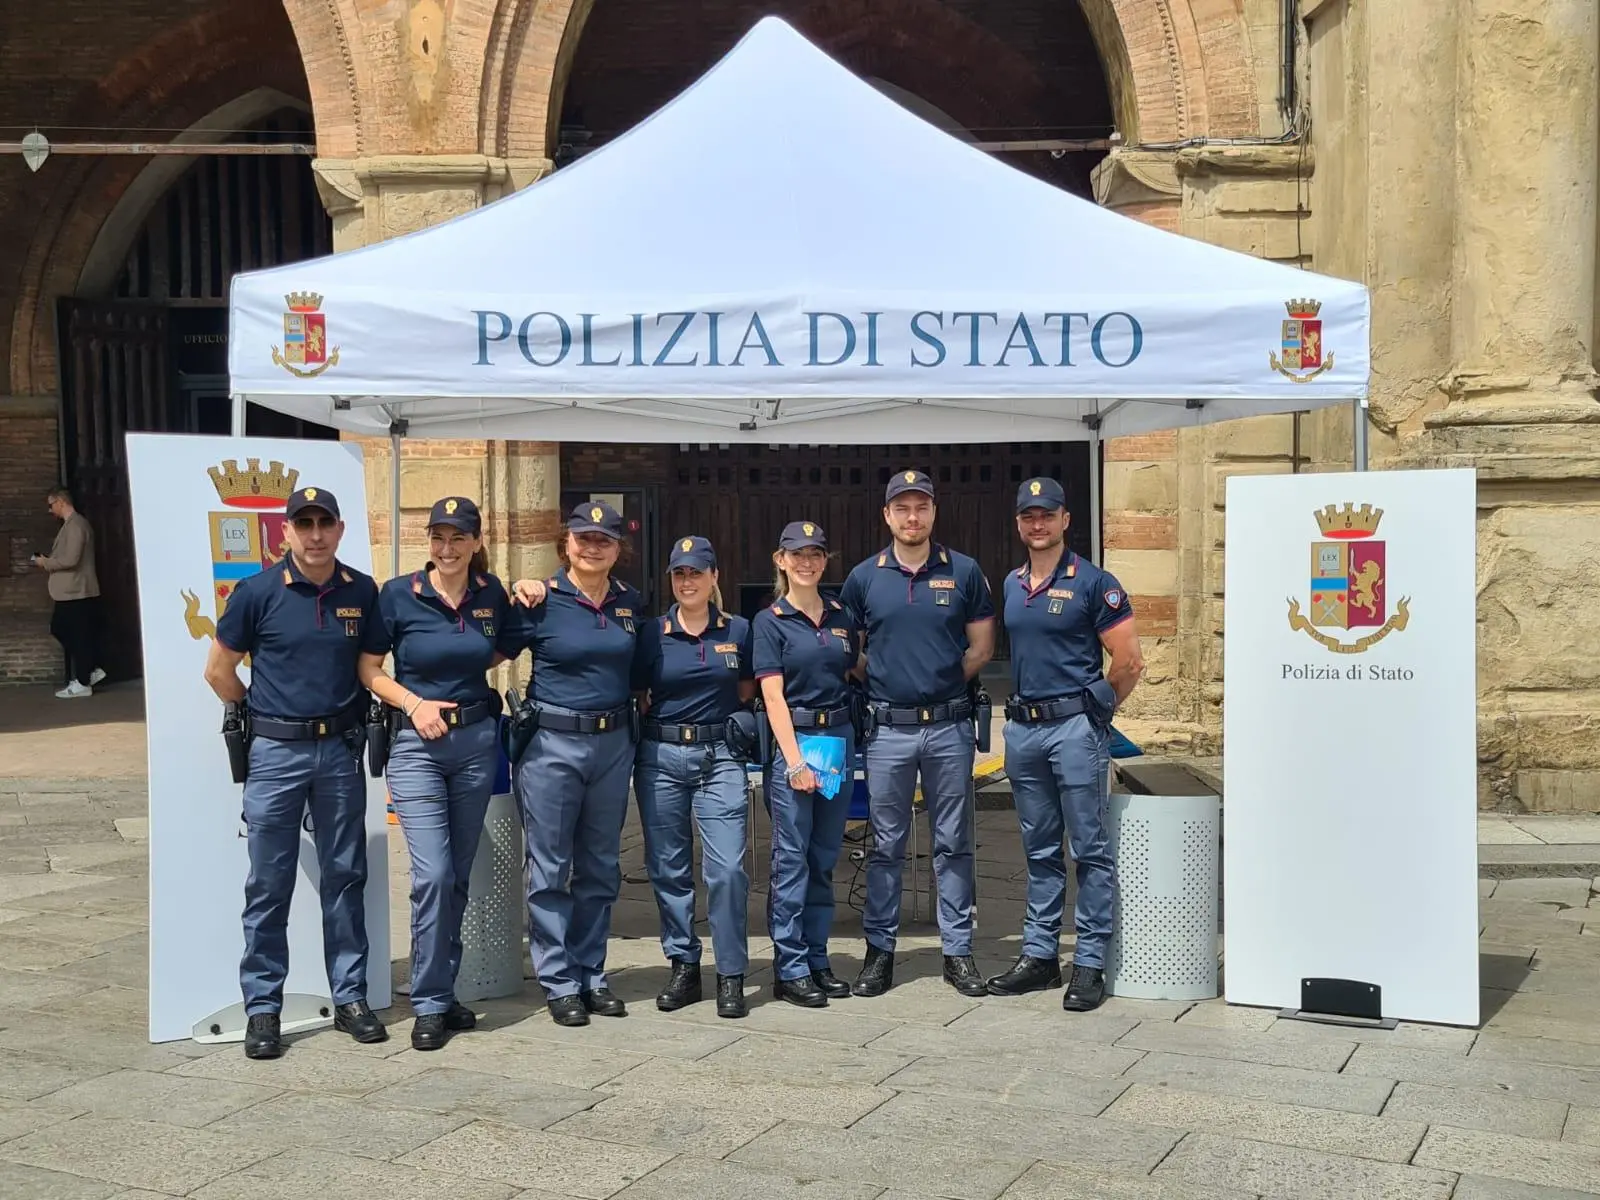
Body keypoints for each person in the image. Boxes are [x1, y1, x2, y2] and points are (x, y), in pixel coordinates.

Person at [202, 485, 389, 1059]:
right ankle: (264, 1009)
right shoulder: (257, 592)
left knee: (344, 875)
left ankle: (351, 997)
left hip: (338, 752)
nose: (314, 535)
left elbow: (368, 667)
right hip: (277, 754)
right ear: (285, 531)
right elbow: (218, 672)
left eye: (324, 524)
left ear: (339, 529)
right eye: (303, 524)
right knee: (268, 885)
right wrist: (258, 716)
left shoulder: (362, 590)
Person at [359, 497, 517, 1050]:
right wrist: (414, 702)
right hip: (418, 746)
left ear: (476, 542)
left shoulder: (491, 593)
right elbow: (368, 667)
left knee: (456, 876)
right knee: (431, 873)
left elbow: (503, 646)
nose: (446, 549)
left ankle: (443, 993)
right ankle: (427, 1001)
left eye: (458, 538)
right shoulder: (399, 594)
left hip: (475, 743)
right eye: (437, 537)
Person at [985, 477, 1144, 1013]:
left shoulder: (1095, 583)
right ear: (1018, 523)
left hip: (1074, 729)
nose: (1038, 524)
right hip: (1025, 731)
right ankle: (1040, 956)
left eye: (1047, 515)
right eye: (1029, 515)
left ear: (1065, 520)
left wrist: (1098, 713)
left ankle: (1091, 962)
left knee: (1090, 850)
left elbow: (1128, 661)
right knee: (1039, 849)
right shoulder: (1011, 583)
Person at [840, 470, 995, 999]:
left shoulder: (966, 572)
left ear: (933, 513)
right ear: (886, 516)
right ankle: (879, 953)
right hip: (888, 731)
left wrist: (940, 684)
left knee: (954, 843)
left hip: (949, 727)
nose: (912, 517)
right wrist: (885, 682)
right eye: (902, 508)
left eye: (921, 507)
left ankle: (958, 952)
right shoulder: (864, 577)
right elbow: (850, 650)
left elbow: (981, 648)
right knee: (885, 846)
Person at [503, 500, 647, 1027]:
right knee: (549, 866)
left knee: (601, 865)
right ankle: (559, 980)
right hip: (552, 745)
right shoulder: (540, 600)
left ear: (617, 549)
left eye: (603, 540)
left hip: (612, 743)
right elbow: (490, 650)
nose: (592, 546)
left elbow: (640, 674)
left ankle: (592, 972)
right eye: (582, 537)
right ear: (566, 543)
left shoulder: (632, 603)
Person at [632, 536, 755, 1018]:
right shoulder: (651, 632)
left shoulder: (739, 630)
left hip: (720, 755)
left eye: (696, 572)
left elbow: (747, 688)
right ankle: (683, 963)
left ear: (714, 577)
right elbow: (639, 692)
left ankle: (731, 972)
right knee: (668, 868)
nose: (688, 582)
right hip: (661, 755)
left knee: (727, 870)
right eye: (679, 573)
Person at [752, 520, 863, 1008]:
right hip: (795, 743)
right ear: (781, 560)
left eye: (815, 554)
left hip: (836, 739)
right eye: (797, 554)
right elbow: (771, 696)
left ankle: (818, 958)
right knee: (791, 860)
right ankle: (790, 965)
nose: (807, 562)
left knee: (823, 856)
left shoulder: (841, 616)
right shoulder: (770, 620)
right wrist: (794, 761)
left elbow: (857, 669)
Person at [31, 488, 104, 699]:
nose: (50, 509)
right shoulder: (71, 526)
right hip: (72, 591)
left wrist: (45, 562)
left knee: (67, 631)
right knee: (69, 631)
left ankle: (84, 680)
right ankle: (89, 671)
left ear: (61, 502)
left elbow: (71, 559)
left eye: (51, 504)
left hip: (76, 590)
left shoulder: (76, 525)